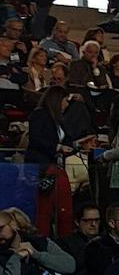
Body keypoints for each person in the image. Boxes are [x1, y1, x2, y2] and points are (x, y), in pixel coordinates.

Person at [23, 85, 76, 236]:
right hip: (40, 167)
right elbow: (36, 139)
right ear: (57, 100)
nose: (67, 104)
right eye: (65, 100)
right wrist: (57, 147)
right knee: (42, 208)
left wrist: (74, 145)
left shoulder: (59, 120)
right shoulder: (39, 115)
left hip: (56, 166)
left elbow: (67, 140)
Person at [59, 203, 102, 275]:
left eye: (97, 220)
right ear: (77, 222)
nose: (93, 224)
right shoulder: (65, 243)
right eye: (88, 220)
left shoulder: (106, 242)